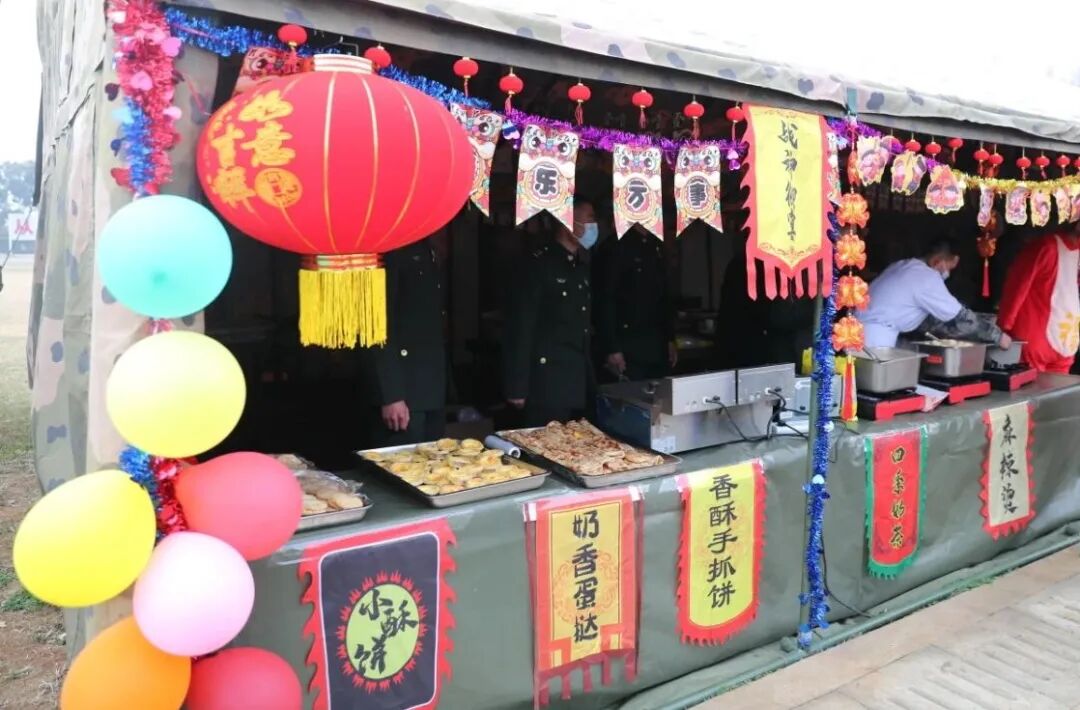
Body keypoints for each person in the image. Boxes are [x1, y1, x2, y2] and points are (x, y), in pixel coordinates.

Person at [503, 200, 597, 426]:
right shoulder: (539, 264)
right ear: (568, 222)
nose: (593, 226)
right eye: (589, 218)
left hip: (577, 378)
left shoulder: (580, 266)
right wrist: (517, 385)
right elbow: (522, 326)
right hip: (547, 381)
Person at [358, 237, 447, 446]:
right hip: (403, 393)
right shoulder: (387, 246)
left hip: (430, 387)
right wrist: (391, 394)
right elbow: (375, 326)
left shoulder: (425, 246)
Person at [861, 236, 1011, 349]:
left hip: (859, 332)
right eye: (949, 268)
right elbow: (961, 318)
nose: (948, 274)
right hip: (876, 340)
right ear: (936, 261)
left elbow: (929, 320)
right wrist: (997, 336)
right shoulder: (926, 278)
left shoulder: (902, 265)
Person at [593, 225, 676, 381]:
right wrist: (611, 347)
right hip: (627, 346)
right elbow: (605, 299)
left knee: (661, 393)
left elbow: (665, 297)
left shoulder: (657, 245)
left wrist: (670, 338)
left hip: (657, 345)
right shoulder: (615, 245)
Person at [997, 226, 1080, 373]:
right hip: (1058, 337)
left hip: (1046, 337)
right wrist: (1005, 326)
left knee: (1035, 385)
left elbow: (1018, 286)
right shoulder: (1047, 247)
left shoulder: (1046, 247)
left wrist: (1003, 326)